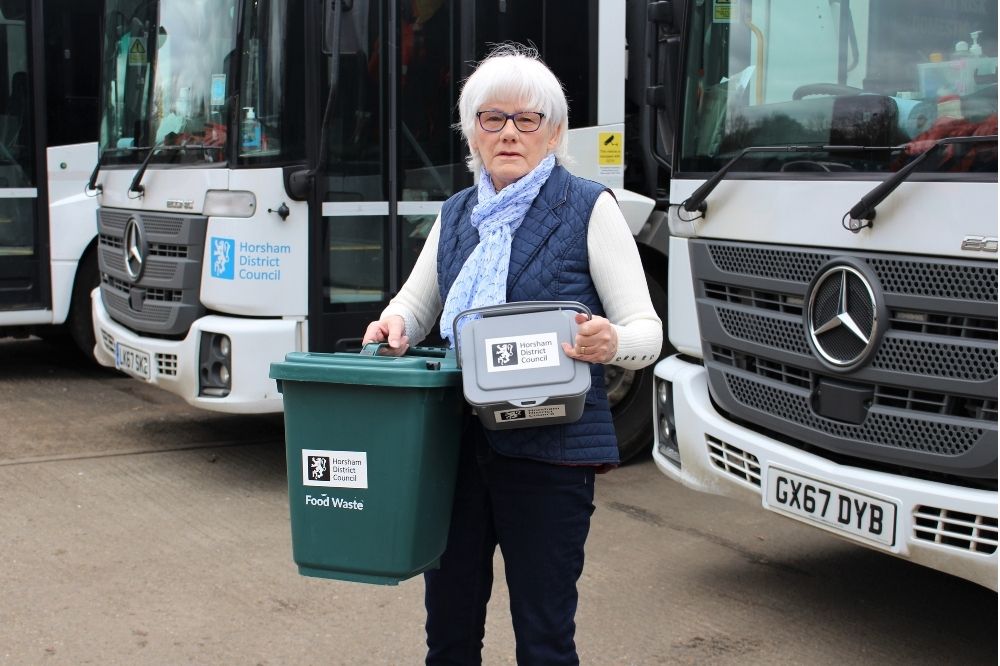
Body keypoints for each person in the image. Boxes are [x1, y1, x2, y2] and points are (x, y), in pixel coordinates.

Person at [362, 43, 662, 665]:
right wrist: (391, 323)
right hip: (454, 455)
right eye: (492, 118)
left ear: (553, 133)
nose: (509, 133)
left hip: (551, 458)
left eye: (528, 120)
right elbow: (416, 307)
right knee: (447, 634)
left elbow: (646, 331)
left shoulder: (588, 208)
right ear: (472, 132)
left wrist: (611, 342)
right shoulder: (456, 214)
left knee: (544, 638)